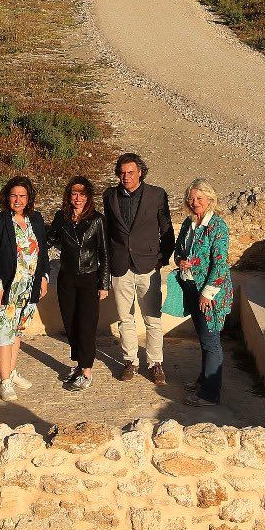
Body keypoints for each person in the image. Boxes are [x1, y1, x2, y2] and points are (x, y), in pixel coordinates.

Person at [103, 152, 175, 385]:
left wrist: (161, 259)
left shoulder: (157, 195)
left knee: (152, 318)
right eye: (122, 173)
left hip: (148, 266)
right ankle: (130, 362)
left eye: (130, 172)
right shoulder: (110, 195)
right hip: (120, 266)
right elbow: (108, 232)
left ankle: (155, 363)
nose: (126, 177)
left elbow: (167, 230)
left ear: (140, 172)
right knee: (125, 318)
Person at [0, 176, 50, 401]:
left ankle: (11, 371)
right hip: (8, 287)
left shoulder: (35, 220)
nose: (17, 200)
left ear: (29, 199)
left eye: (22, 196)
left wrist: (44, 277)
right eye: (13, 196)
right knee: (4, 334)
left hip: (28, 289)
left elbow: (43, 253)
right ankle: (4, 381)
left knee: (17, 331)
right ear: (7, 197)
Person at [47, 176, 109, 392]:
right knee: (70, 323)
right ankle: (79, 363)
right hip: (66, 277)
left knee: (86, 325)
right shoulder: (61, 217)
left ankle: (87, 371)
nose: (78, 198)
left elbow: (104, 252)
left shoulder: (97, 220)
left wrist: (104, 283)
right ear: (68, 195)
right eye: (74, 193)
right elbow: (50, 238)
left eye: (83, 194)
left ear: (89, 197)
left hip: (89, 278)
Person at [173, 179, 232, 407]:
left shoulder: (217, 226)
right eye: (192, 198)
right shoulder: (190, 224)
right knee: (204, 339)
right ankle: (203, 381)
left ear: (210, 200)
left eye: (200, 198)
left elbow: (220, 264)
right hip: (192, 288)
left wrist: (207, 294)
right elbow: (179, 251)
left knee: (211, 342)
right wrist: (181, 262)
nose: (195, 202)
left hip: (210, 294)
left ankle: (210, 395)